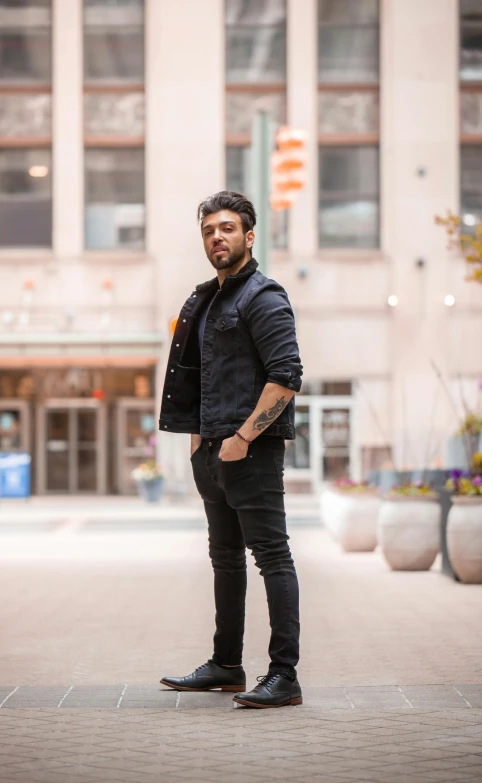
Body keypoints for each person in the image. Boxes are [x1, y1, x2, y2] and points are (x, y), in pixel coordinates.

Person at [159, 191, 303, 708]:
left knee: (272, 559)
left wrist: (242, 440)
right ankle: (226, 665)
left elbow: (287, 378)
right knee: (224, 561)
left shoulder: (263, 297)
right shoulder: (205, 299)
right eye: (207, 231)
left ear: (248, 236)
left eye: (225, 228)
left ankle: (284, 676)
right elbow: (200, 379)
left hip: (252, 454)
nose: (215, 237)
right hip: (212, 455)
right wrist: (201, 446)